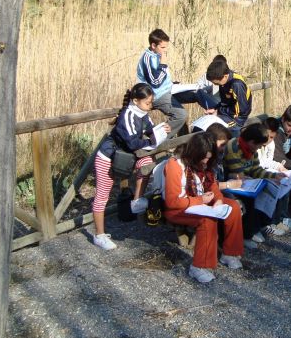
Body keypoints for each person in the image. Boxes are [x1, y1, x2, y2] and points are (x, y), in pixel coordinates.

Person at [92, 83, 170, 250]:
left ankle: (136, 200)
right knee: (102, 196)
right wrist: (153, 140)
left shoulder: (143, 114)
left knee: (147, 163)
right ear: (135, 101)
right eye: (147, 103)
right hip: (108, 158)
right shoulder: (128, 115)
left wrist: (161, 129)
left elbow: (149, 130)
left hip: (127, 157)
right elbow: (133, 142)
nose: (150, 107)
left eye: (151, 102)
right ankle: (99, 235)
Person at [163, 133, 244, 283]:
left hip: (199, 202)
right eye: (204, 158)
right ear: (194, 153)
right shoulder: (175, 165)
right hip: (179, 208)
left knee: (232, 207)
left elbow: (212, 184)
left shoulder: (203, 163)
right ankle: (199, 266)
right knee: (206, 219)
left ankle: (230, 253)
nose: (206, 161)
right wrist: (200, 200)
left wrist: (218, 199)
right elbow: (172, 201)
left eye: (208, 158)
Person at [223, 122, 284, 249]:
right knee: (250, 200)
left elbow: (256, 170)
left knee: (271, 190)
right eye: (258, 145)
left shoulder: (252, 150)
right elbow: (238, 174)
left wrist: (274, 176)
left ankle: (258, 227)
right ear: (251, 141)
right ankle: (246, 234)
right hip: (230, 183)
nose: (258, 149)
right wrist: (250, 179)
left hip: (245, 182)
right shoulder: (233, 147)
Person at [136, 29, 185, 135]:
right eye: (162, 47)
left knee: (196, 93)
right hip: (157, 95)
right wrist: (163, 65)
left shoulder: (157, 54)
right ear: (153, 45)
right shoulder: (147, 59)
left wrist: (172, 83)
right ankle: (159, 139)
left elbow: (162, 77)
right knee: (181, 115)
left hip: (169, 89)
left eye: (166, 47)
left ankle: (215, 112)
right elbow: (155, 82)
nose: (165, 50)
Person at [205, 59, 252, 136]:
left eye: (216, 83)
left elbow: (241, 110)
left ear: (225, 76)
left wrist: (219, 111)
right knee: (207, 124)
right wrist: (215, 109)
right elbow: (225, 102)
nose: (214, 84)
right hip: (228, 113)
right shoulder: (223, 81)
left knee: (212, 130)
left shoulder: (236, 85)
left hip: (238, 119)